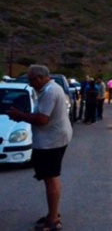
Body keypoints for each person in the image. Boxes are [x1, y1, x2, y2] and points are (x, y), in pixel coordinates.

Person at [7, 64, 72, 231]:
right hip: (55, 138)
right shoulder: (50, 89)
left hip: (51, 141)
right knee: (50, 177)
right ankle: (53, 214)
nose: (30, 84)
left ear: (39, 78)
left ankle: (53, 220)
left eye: (31, 80)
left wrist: (20, 116)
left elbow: (42, 119)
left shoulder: (50, 92)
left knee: (51, 178)